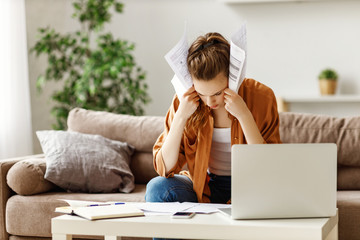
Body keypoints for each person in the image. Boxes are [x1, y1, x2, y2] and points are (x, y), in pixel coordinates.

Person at [145, 32, 281, 206]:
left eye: (217, 93)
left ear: (233, 78)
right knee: (158, 188)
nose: (210, 102)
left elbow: (269, 168)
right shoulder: (185, 99)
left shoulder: (261, 96)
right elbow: (165, 168)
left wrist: (244, 115)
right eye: (202, 94)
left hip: (253, 187)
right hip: (205, 187)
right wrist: (181, 117)